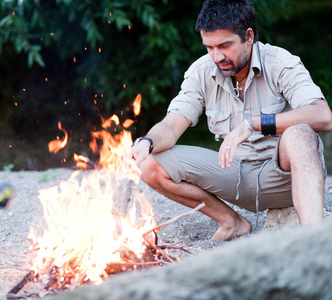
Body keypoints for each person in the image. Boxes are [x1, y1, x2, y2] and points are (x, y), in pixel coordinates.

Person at [124, 0, 332, 241]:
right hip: (234, 176)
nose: (217, 56)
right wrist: (146, 142)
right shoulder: (201, 71)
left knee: (301, 134)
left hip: (284, 179)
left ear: (249, 36)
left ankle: (314, 240)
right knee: (150, 164)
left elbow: (323, 116)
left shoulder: (280, 62)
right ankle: (231, 222)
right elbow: (171, 126)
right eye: (209, 47)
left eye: (224, 45)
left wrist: (253, 123)